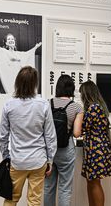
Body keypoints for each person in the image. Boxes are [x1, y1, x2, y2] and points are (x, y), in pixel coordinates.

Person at [0, 66, 57, 206]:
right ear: (35, 83)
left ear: (17, 82)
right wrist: (50, 159)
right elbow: (50, 135)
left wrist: (6, 156)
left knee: (10, 199)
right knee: (34, 201)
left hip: (17, 161)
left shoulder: (9, 105)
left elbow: (3, 136)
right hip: (38, 161)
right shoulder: (43, 104)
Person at [44, 75, 83, 206]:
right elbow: (77, 134)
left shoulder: (47, 103)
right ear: (71, 89)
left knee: (48, 187)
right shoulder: (77, 107)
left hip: (49, 150)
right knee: (65, 188)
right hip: (66, 151)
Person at [78, 80, 111, 206]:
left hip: (96, 150)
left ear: (86, 94)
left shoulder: (93, 108)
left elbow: (83, 128)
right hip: (95, 149)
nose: (81, 97)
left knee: (95, 182)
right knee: (91, 181)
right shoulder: (99, 106)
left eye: (82, 93)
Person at [0, 29, 42, 94]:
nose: (11, 41)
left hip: (18, 79)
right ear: (6, 43)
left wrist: (35, 47)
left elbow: (28, 55)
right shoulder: (3, 52)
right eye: (9, 39)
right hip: (8, 80)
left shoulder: (20, 54)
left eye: (12, 39)